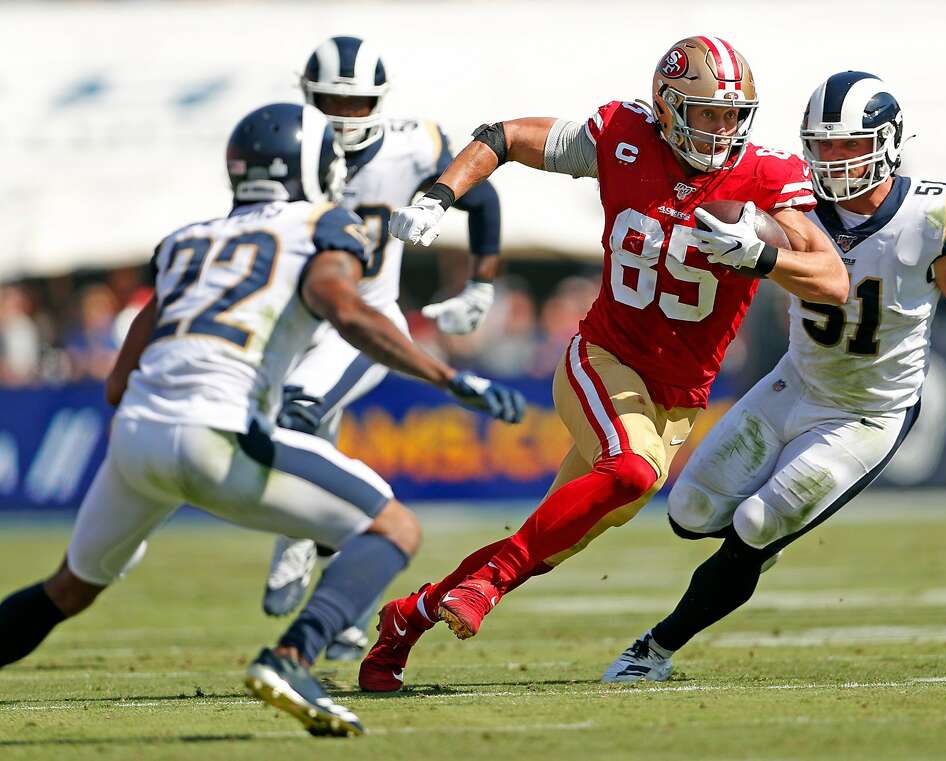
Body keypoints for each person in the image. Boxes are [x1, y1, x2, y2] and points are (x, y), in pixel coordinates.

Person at [0, 103, 524, 737]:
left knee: (67, 590)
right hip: (218, 431)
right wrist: (449, 377)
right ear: (312, 165)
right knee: (394, 527)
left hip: (135, 435)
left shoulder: (185, 241)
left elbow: (118, 381)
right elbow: (349, 314)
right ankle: (293, 658)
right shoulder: (323, 224)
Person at [358, 35, 848, 692]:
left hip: (678, 399)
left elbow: (832, 278)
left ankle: (406, 619)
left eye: (733, 114)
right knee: (633, 472)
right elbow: (501, 136)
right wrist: (441, 193)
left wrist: (760, 255)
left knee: (550, 538)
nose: (721, 127)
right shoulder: (623, 136)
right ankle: (488, 584)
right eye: (706, 112)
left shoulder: (764, 176)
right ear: (668, 108)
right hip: (604, 358)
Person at [602, 71, 946, 682]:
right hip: (794, 383)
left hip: (869, 412)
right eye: (822, 144)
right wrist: (735, 233)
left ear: (887, 141)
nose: (833, 160)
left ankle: (658, 647)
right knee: (688, 512)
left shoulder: (933, 212)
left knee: (755, 525)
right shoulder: (796, 201)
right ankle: (752, 556)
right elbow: (759, 232)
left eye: (848, 145)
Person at [260, 36, 505, 661]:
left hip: (365, 319)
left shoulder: (412, 145)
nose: (344, 115)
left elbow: (482, 195)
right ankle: (348, 615)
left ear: (378, 102)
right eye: (331, 101)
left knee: (297, 418)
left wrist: (480, 282)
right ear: (306, 96)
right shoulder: (282, 145)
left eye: (356, 101)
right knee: (304, 447)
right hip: (296, 324)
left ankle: (297, 530)